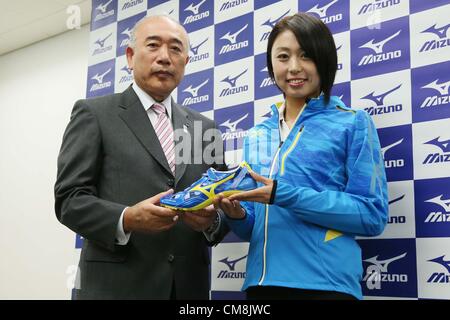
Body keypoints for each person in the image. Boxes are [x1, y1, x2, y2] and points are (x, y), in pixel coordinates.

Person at [214, 12, 388, 300]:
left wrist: (283, 194)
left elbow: (372, 215)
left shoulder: (353, 122)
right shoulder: (257, 134)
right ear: (271, 64)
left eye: (305, 55)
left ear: (324, 59)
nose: (294, 67)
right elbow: (254, 229)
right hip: (260, 287)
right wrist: (237, 214)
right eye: (283, 57)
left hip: (326, 286)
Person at [55, 15, 228, 300]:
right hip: (117, 289)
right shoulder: (94, 114)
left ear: (185, 61)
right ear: (130, 57)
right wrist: (127, 218)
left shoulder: (204, 128)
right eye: (153, 45)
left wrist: (211, 222)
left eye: (175, 49)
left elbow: (223, 203)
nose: (164, 57)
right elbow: (69, 200)